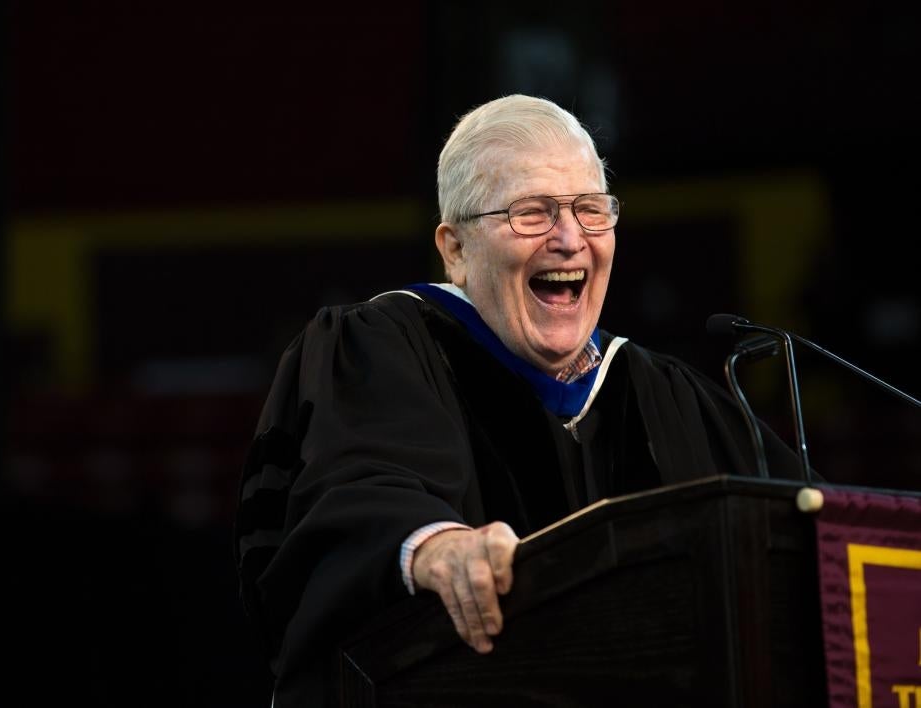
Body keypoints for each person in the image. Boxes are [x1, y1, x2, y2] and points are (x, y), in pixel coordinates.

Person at [233, 94, 802, 706]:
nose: (569, 238)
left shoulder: (663, 393)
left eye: (590, 210)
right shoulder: (381, 346)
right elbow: (357, 490)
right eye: (532, 213)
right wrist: (435, 546)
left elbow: (807, 533)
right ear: (454, 250)